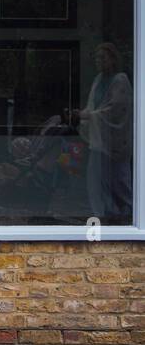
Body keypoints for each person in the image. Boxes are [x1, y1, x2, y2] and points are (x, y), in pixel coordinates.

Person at [72, 42, 133, 224]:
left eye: (102, 57)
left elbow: (116, 109)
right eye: (96, 58)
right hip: (98, 141)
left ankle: (127, 215)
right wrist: (83, 116)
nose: (98, 61)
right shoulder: (98, 79)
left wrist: (88, 116)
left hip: (116, 142)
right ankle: (103, 214)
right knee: (96, 180)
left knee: (119, 180)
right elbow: (94, 106)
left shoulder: (120, 80)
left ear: (112, 59)